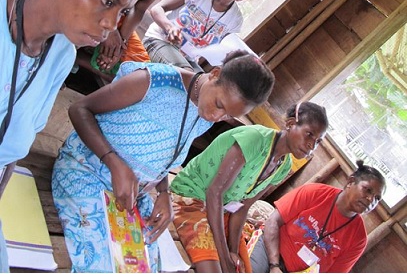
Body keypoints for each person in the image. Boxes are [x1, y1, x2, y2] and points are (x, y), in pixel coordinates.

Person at [0, 0, 150, 271]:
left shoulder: (61, 54)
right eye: (108, 1)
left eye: (122, 11)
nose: (111, 25)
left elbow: (12, 154)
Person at [51, 50, 275, 272]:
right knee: (102, 266)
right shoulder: (153, 82)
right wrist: (113, 162)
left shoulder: (204, 109)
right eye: (219, 105)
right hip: (86, 169)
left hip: (131, 194)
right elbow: (80, 110)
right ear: (215, 74)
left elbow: (165, 152)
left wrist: (164, 192)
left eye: (227, 115)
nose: (217, 117)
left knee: (139, 268)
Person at [170, 101, 329, 273]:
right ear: (291, 124)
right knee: (213, 269)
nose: (311, 146)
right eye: (309, 135)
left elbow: (242, 207)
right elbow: (214, 192)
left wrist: (232, 251)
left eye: (318, 141)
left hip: (221, 211)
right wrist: (224, 257)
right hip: (191, 197)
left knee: (243, 268)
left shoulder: (284, 166)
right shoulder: (255, 140)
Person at [250, 160, 386, 273]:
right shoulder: (314, 192)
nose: (370, 200)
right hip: (270, 251)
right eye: (367, 190)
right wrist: (274, 266)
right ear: (350, 182)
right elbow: (273, 221)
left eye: (377, 198)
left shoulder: (359, 238)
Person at [142, 0, 266, 71]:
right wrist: (170, 28)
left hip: (188, 59)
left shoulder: (235, 20)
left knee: (202, 86)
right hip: (160, 40)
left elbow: (220, 50)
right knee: (188, 76)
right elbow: (157, 9)